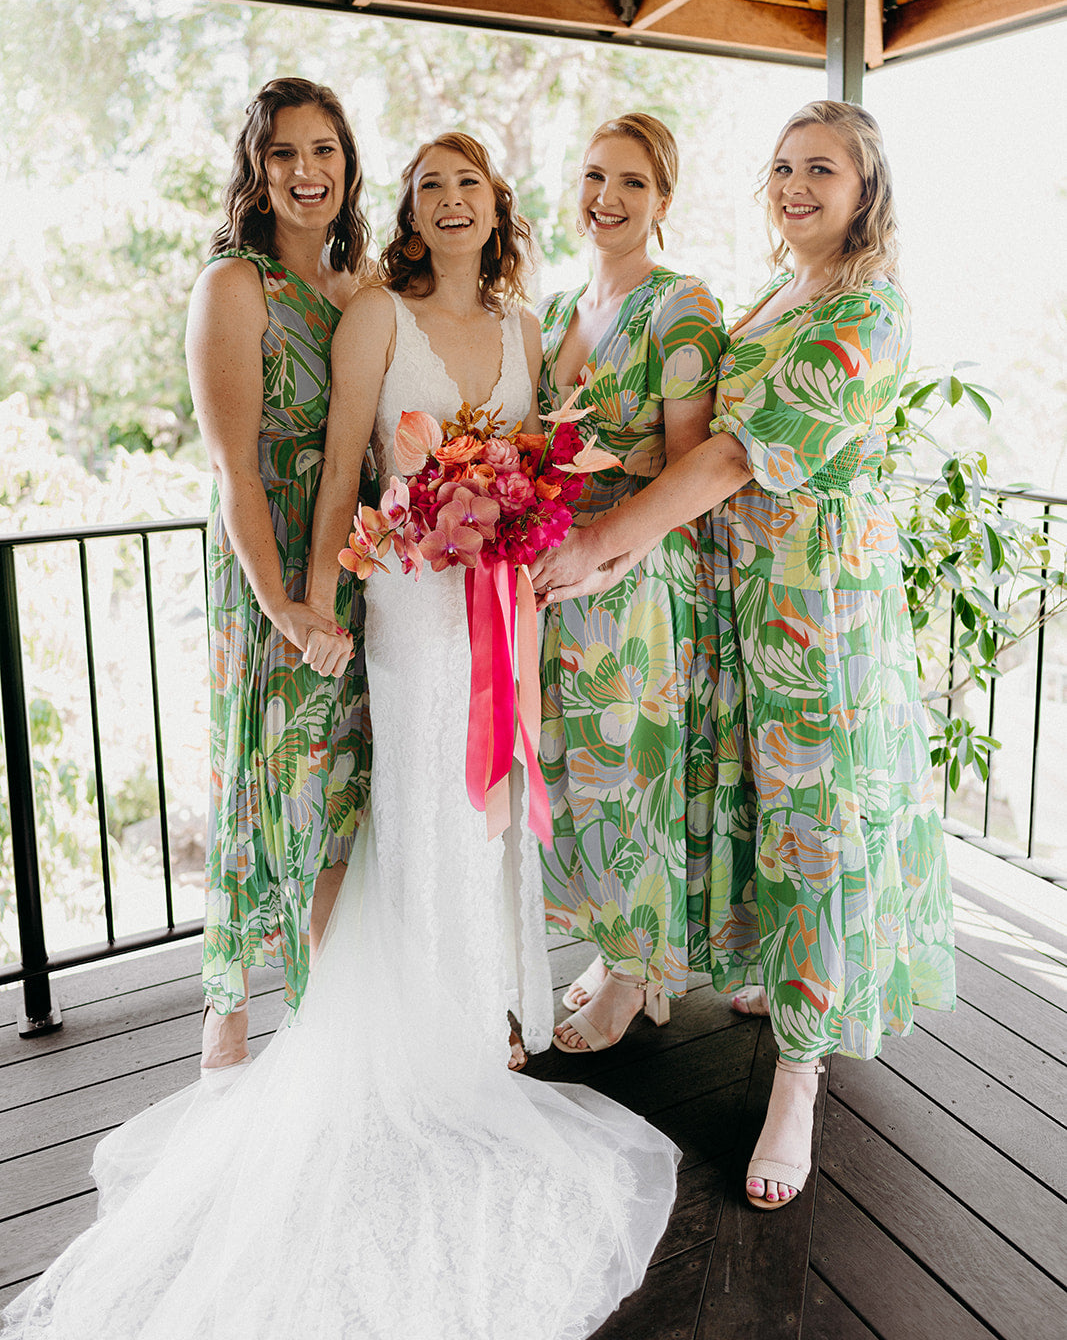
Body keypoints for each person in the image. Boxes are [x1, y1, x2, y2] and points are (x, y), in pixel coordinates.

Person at [1, 134, 679, 1340]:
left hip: (502, 607)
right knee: (421, 796)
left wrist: (523, 513)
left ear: (497, 204)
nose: (450, 199)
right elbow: (335, 478)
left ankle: (484, 1026)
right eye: (429, 185)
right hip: (413, 606)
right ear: (410, 210)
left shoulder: (528, 325)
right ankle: (417, 1050)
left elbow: (541, 460)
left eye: (468, 181)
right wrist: (315, 605)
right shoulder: (377, 310)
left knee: (487, 811)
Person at [533, 100, 956, 1209]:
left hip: (817, 602)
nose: (793, 186)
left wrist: (611, 539)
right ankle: (759, 976)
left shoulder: (869, 309)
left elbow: (729, 451)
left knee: (812, 823)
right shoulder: (778, 294)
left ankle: (798, 1083)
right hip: (733, 591)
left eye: (819, 169)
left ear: (865, 189)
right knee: (753, 803)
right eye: (779, 167)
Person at [184, 77, 373, 1077]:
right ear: (256, 170)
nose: (306, 172)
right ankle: (229, 1012)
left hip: (355, 564)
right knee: (271, 771)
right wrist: (287, 606)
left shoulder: (358, 286)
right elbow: (235, 468)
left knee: (340, 784)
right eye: (284, 153)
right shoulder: (232, 285)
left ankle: (325, 1015)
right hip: (272, 565)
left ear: (347, 166)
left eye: (324, 152)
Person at [537, 113, 728, 1054]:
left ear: (663, 200)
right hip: (551, 572)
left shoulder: (679, 305)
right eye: (593, 177)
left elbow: (688, 470)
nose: (605, 199)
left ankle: (635, 972)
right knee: (571, 775)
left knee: (627, 772)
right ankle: (614, 941)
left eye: (631, 184)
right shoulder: (555, 310)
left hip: (635, 578)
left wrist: (611, 545)